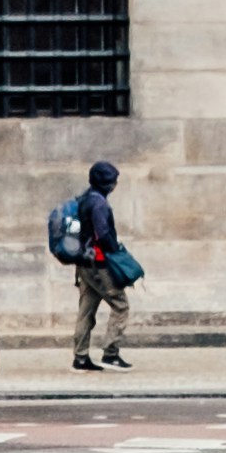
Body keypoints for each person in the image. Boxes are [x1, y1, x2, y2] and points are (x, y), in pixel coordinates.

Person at [69, 158, 133, 372]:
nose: (115, 184)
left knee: (86, 310)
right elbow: (103, 234)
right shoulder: (98, 203)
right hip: (98, 263)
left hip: (83, 264)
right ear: (107, 183)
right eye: (113, 181)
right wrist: (116, 250)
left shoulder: (84, 199)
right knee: (120, 305)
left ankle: (80, 358)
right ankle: (111, 354)